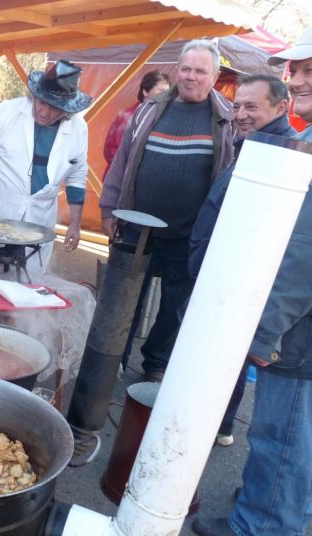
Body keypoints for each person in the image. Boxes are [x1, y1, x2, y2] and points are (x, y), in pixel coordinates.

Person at [192, 25, 312, 536]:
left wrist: (265, 329)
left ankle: (263, 524)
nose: (300, 79)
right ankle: (279, 499)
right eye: (298, 69)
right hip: (292, 316)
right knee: (293, 433)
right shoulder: (306, 139)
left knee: (281, 427)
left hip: (298, 330)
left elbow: (304, 252)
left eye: (310, 71)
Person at [99, 39, 235, 381]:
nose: (191, 77)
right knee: (126, 300)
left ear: (215, 75)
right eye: (185, 69)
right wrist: (108, 208)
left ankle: (155, 364)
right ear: (177, 70)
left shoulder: (226, 118)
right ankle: (115, 356)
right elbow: (122, 162)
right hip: (135, 227)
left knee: (174, 305)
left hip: (189, 233)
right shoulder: (149, 109)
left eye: (200, 71)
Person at [188, 74, 295, 447]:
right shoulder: (252, 142)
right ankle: (213, 423)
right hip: (216, 272)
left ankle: (210, 427)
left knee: (223, 360)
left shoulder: (281, 152)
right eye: (237, 106)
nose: (241, 114)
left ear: (282, 107)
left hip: (233, 283)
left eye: (252, 106)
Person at [0, 60, 93, 272]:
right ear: (35, 95)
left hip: (38, 220)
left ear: (67, 110)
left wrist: (75, 224)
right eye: (42, 102)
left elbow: (77, 176)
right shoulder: (7, 112)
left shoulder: (78, 129)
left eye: (54, 108)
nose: (45, 112)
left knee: (25, 288)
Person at [102, 70, 171, 174]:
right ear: (145, 92)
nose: (166, 95)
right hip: (122, 179)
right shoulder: (127, 117)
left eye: (168, 92)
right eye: (161, 91)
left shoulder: (168, 117)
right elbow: (112, 152)